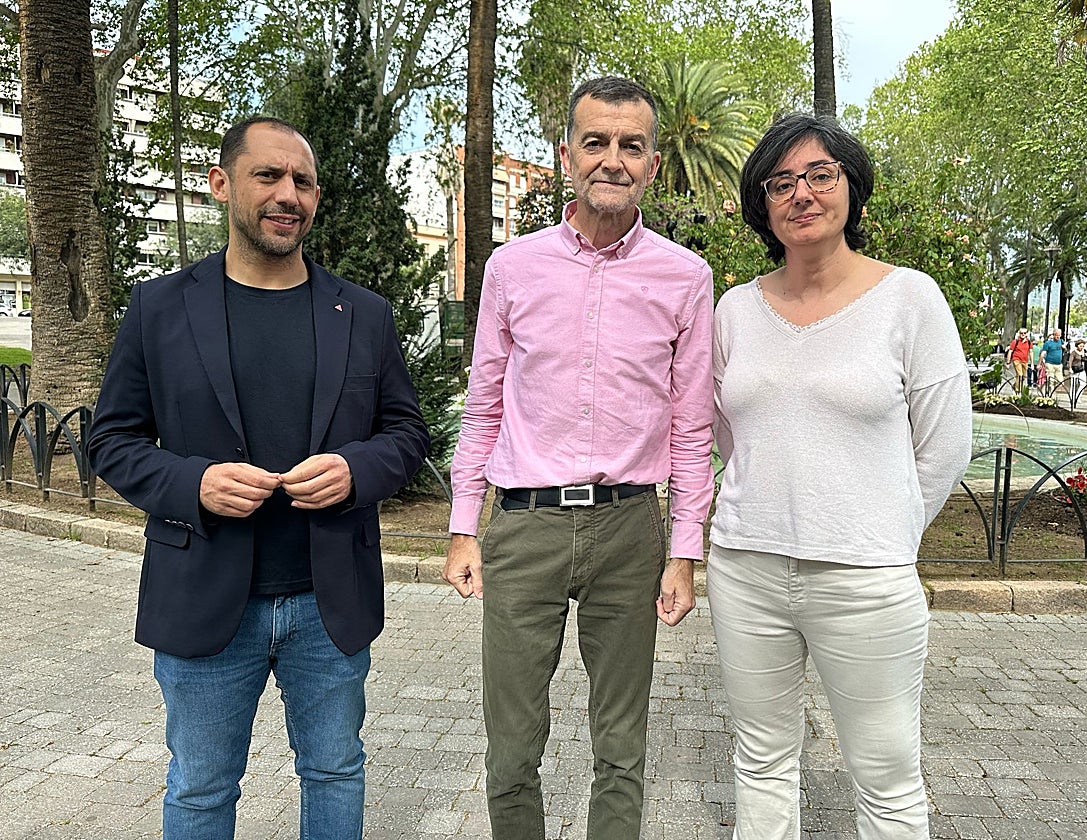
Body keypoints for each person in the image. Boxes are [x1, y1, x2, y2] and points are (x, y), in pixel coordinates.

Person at [87, 116, 431, 839]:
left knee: (335, 771)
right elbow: (111, 441)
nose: (287, 194)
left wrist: (355, 467)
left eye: (302, 181)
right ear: (222, 184)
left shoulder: (363, 314)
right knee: (202, 790)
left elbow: (406, 434)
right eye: (268, 176)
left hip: (327, 601)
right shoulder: (158, 308)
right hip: (207, 598)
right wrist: (195, 485)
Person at [441, 76, 714, 840]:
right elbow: (484, 405)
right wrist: (466, 526)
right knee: (512, 751)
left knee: (621, 749)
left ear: (653, 165)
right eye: (596, 142)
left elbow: (693, 431)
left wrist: (683, 552)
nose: (613, 160)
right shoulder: (512, 269)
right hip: (523, 529)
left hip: (631, 531)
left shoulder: (686, 279)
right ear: (567, 155)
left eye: (631, 146)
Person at [709, 113, 972, 839]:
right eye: (781, 182)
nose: (802, 193)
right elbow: (731, 431)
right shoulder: (735, 309)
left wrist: (878, 525)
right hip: (745, 567)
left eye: (820, 175)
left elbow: (945, 446)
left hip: (866, 578)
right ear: (762, 203)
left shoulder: (909, 299)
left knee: (886, 778)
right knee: (760, 764)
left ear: (852, 188)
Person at [1040, 327, 1067, 394]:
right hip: (1050, 363)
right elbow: (1043, 353)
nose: (1058, 336)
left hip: (1059, 364)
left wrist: (1064, 348)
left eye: (1059, 335)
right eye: (1056, 335)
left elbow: (1066, 351)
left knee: (1060, 381)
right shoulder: (1048, 343)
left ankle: (1043, 387)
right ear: (1053, 335)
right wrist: (1039, 363)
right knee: (1051, 380)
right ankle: (1051, 395)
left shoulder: (1061, 341)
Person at [1069, 339, 1087, 403]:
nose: (1081, 347)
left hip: (1082, 369)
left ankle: (1078, 396)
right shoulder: (1074, 352)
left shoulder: (1084, 351)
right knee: (1073, 384)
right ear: (1077, 346)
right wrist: (1070, 368)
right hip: (1075, 369)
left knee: (1083, 383)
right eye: (1080, 346)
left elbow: (1085, 360)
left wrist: (1085, 356)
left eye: (1083, 346)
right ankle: (1072, 397)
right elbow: (1070, 361)